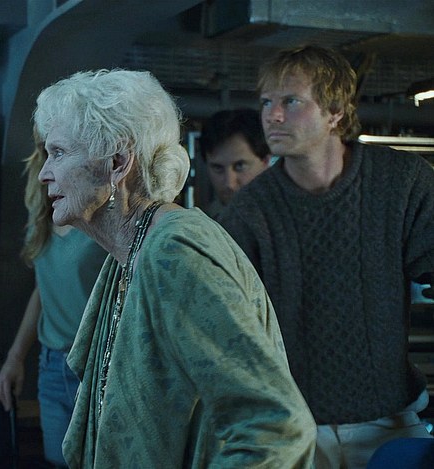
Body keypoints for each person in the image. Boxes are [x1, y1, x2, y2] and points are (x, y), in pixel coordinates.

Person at [32, 68, 316, 468]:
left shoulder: (176, 252)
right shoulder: (133, 249)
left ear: (117, 162)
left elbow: (276, 429)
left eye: (59, 153)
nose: (44, 173)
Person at [217, 45, 434, 469]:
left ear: (335, 112)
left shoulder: (400, 182)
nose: (272, 116)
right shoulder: (250, 210)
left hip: (389, 423)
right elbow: (224, 320)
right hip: (291, 428)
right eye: (266, 102)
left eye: (290, 101)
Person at [0, 131, 106, 468]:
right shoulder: (44, 211)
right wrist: (15, 357)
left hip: (96, 367)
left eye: (60, 151)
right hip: (52, 366)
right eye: (48, 151)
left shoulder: (101, 216)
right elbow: (43, 289)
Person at [199, 108, 271, 219]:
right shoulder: (200, 223)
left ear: (265, 161)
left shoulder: (290, 216)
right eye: (218, 168)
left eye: (240, 166)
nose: (229, 183)